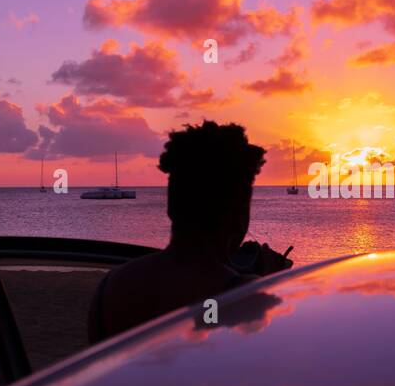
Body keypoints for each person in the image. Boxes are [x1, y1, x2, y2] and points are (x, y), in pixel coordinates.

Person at [88, 121, 293, 341]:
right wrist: (270, 286)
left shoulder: (111, 287)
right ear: (240, 213)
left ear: (171, 205)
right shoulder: (241, 295)